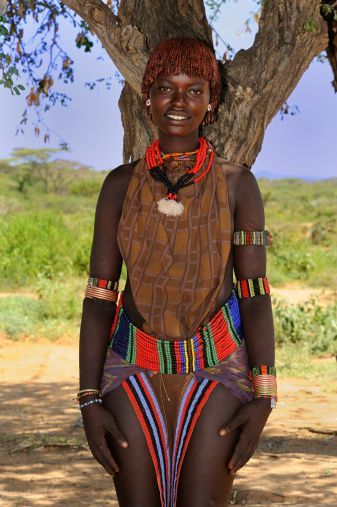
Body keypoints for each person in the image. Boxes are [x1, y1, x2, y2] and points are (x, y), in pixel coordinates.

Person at [76, 37, 277, 507]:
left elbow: (254, 293)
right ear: (147, 96)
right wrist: (89, 399)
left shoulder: (237, 185)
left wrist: (263, 394)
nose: (179, 102)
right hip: (131, 372)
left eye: (194, 89)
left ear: (211, 100)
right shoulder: (119, 187)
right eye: (166, 88)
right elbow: (100, 296)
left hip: (219, 372)